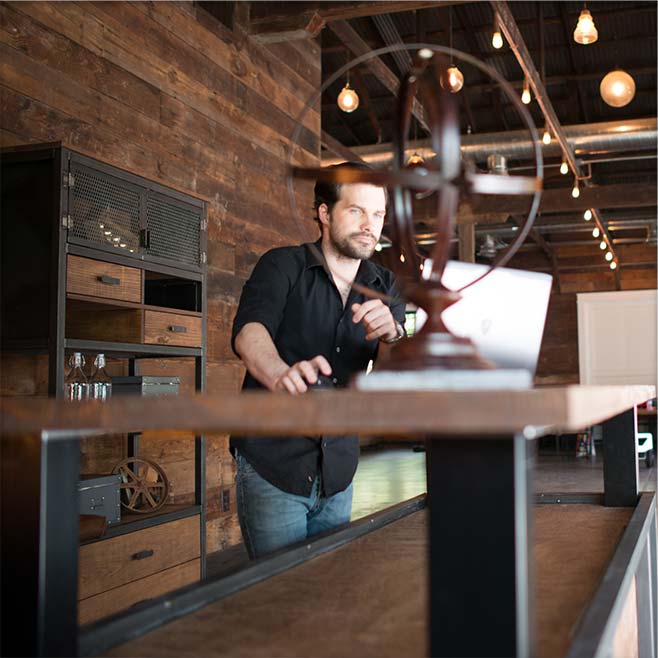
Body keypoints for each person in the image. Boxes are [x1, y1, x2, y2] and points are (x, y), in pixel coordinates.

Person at [230, 164, 406, 559]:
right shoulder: (282, 265)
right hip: (274, 462)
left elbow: (395, 373)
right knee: (279, 592)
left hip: (339, 470)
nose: (370, 225)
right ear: (324, 213)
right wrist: (279, 375)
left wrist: (393, 334)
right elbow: (249, 332)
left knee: (327, 587)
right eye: (356, 211)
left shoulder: (385, 286)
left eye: (377, 214)